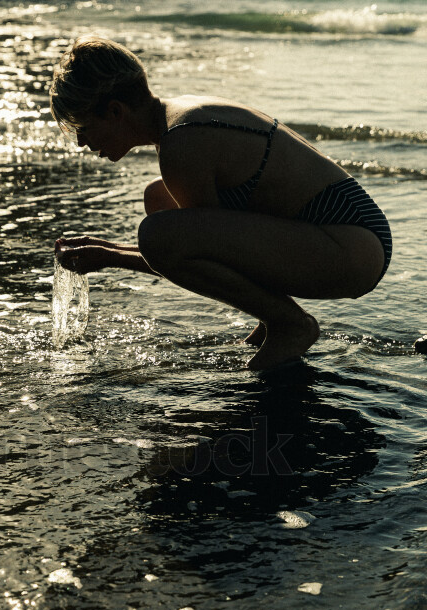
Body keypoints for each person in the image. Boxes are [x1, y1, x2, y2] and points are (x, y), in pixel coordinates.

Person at [49, 36, 392, 370]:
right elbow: (220, 238)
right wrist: (106, 248)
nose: (81, 142)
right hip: (350, 238)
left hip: (351, 249)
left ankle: (290, 324)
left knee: (158, 234)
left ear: (114, 111)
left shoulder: (181, 144)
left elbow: (196, 250)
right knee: (158, 198)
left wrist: (110, 256)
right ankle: (273, 319)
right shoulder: (178, 117)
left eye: (82, 126)